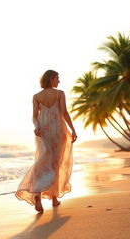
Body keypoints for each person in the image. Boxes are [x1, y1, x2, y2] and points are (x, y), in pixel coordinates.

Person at [15, 70, 77, 213]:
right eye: (57, 78)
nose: (59, 81)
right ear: (51, 79)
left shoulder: (37, 96)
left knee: (43, 161)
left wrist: (37, 126)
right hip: (58, 130)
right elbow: (64, 112)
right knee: (55, 163)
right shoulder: (59, 93)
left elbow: (34, 116)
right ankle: (54, 198)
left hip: (43, 130)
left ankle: (38, 193)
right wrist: (73, 129)